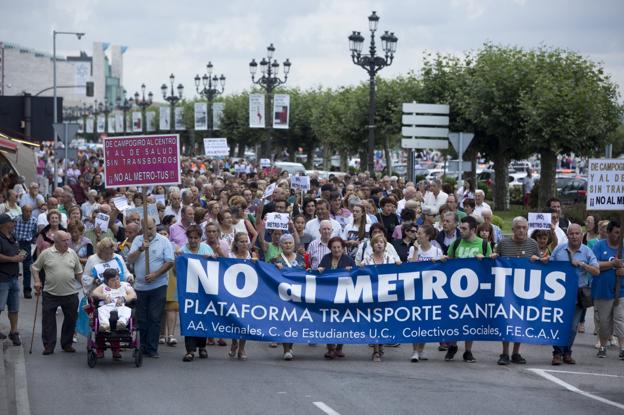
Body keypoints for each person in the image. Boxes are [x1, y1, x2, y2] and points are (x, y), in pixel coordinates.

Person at [549, 224, 600, 365]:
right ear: (567, 235)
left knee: (572, 326)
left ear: (581, 234)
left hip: (578, 293)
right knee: (558, 324)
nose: (574, 236)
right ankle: (557, 353)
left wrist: (582, 265)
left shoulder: (587, 251)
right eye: (571, 233)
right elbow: (549, 267)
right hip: (559, 293)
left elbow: (596, 271)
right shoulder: (559, 249)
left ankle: (567, 352)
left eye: (577, 233)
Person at [493, 217, 540, 365]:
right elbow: (495, 259)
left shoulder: (533, 245)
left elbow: (540, 267)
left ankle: (516, 353)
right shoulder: (503, 243)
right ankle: (505, 353)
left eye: (524, 228)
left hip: (525, 290)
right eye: (518, 227)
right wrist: (494, 257)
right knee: (506, 320)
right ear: (513, 229)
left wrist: (537, 259)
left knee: (520, 321)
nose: (521, 230)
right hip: (506, 290)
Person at [446, 216, 493, 363]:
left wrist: (484, 260)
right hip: (456, 288)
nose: (461, 230)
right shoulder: (457, 243)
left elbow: (490, 266)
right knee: (454, 317)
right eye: (460, 228)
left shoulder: (484, 244)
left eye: (464, 228)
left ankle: (468, 350)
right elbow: (448, 261)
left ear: (473, 230)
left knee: (470, 319)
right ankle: (452, 345)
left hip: (475, 289)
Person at [127, 218, 175, 359]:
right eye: (146, 228)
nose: (148, 231)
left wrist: (156, 274)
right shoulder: (137, 240)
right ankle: (141, 346)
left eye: (151, 228)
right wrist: (141, 249)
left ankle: (152, 348)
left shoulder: (163, 241)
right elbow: (130, 259)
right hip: (140, 286)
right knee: (141, 317)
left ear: (155, 226)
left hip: (158, 284)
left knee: (154, 317)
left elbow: (170, 261)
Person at [31, 231, 83, 354]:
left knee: (71, 320)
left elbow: (78, 272)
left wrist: (85, 286)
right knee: (48, 321)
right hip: (51, 293)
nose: (67, 243)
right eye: (64, 240)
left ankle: (66, 344)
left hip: (70, 293)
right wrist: (37, 281)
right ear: (56, 241)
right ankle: (49, 345)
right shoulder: (46, 253)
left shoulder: (72, 253)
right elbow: (35, 267)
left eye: (68, 240)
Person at [408, 224, 445, 361]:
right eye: (417, 233)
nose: (417, 235)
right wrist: (416, 251)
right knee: (415, 320)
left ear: (428, 236)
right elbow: (411, 266)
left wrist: (438, 261)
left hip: (431, 290)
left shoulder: (436, 251)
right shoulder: (413, 248)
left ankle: (421, 349)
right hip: (416, 289)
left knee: (425, 320)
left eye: (420, 233)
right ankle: (414, 351)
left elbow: (442, 268)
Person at [362, 233, 401, 362]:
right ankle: (376, 351)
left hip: (386, 295)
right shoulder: (367, 259)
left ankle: (381, 345)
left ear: (385, 245)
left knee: (384, 321)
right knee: (375, 322)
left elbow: (398, 269)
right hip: (372, 296)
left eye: (382, 242)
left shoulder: (390, 258)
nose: (379, 244)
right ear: (372, 245)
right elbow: (360, 270)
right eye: (376, 242)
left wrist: (398, 263)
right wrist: (360, 267)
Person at [179, 224, 214, 362]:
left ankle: (202, 347)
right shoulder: (182, 250)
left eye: (196, 238)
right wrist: (178, 259)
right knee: (189, 318)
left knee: (202, 317)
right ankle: (190, 350)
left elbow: (215, 266)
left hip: (204, 289)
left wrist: (211, 258)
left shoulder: (206, 248)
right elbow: (176, 272)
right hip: (188, 290)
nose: (193, 240)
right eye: (191, 238)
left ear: (200, 238)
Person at [591, 221, 624, 360]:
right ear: (609, 232)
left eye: (620, 233)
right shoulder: (600, 245)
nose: (619, 235)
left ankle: (622, 348)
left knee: (621, 320)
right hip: (602, 291)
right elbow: (593, 264)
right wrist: (612, 264)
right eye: (616, 232)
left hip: (621, 292)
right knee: (603, 322)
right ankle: (603, 346)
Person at [318, 237, 355, 359]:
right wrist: (320, 270)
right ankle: (330, 348)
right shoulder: (325, 258)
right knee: (328, 321)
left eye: (339, 247)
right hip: (327, 296)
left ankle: (339, 348)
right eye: (334, 247)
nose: (336, 249)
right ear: (330, 248)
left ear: (343, 247)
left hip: (344, 296)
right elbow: (318, 274)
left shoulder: (348, 260)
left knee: (342, 321)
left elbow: (356, 276)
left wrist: (351, 271)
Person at [90, 268, 137, 359]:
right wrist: (104, 296)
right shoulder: (103, 286)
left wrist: (124, 299)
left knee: (128, 311)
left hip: (120, 306)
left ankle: (122, 323)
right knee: (100, 311)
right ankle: (104, 324)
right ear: (107, 281)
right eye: (113, 280)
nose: (116, 281)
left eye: (117, 279)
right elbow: (94, 293)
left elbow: (133, 295)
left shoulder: (125, 285)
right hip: (107, 306)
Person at [272, 234, 305, 361]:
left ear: (294, 244)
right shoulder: (276, 259)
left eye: (290, 242)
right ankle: (286, 349)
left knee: (295, 322)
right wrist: (275, 269)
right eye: (285, 243)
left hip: (297, 295)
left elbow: (306, 274)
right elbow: (268, 274)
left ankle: (290, 346)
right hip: (282, 296)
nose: (288, 245)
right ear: (280, 245)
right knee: (285, 321)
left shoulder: (301, 259)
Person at [228, 232, 255, 360]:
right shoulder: (230, 256)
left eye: (246, 241)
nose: (244, 244)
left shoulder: (252, 256)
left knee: (245, 321)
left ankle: (242, 348)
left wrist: (256, 263)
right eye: (242, 242)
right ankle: (234, 343)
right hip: (232, 293)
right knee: (235, 320)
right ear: (236, 243)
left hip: (248, 293)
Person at [0, 213, 26, 346]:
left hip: (14, 277)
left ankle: (14, 332)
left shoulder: (13, 236)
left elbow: (16, 250)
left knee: (14, 307)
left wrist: (20, 255)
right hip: (2, 278)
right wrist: (12, 259)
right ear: (4, 224)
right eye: (11, 222)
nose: (14, 224)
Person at [14, 205, 37, 298]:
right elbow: (12, 231)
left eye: (30, 211)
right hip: (17, 243)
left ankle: (27, 290)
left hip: (27, 245)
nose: (29, 214)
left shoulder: (33, 221)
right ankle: (13, 288)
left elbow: (34, 232)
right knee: (14, 265)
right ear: (22, 211)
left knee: (27, 267)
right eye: (27, 211)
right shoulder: (16, 219)